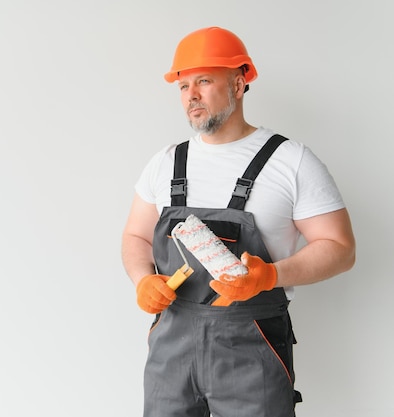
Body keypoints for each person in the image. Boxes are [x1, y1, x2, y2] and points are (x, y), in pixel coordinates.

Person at [121, 26, 356, 417]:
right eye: (183, 86)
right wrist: (142, 279)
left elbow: (340, 248)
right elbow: (135, 236)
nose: (191, 95)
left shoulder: (290, 161)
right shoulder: (165, 163)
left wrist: (270, 276)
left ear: (239, 82)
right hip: (170, 347)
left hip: (252, 347)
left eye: (204, 81)